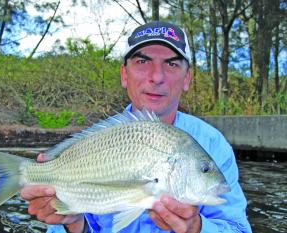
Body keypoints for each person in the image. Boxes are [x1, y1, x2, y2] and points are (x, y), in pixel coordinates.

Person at [20, 21, 252, 233]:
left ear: (187, 78)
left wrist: (197, 228)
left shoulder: (213, 144)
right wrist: (74, 225)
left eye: (171, 63)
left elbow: (239, 228)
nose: (157, 76)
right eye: (142, 61)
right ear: (124, 74)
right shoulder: (96, 142)